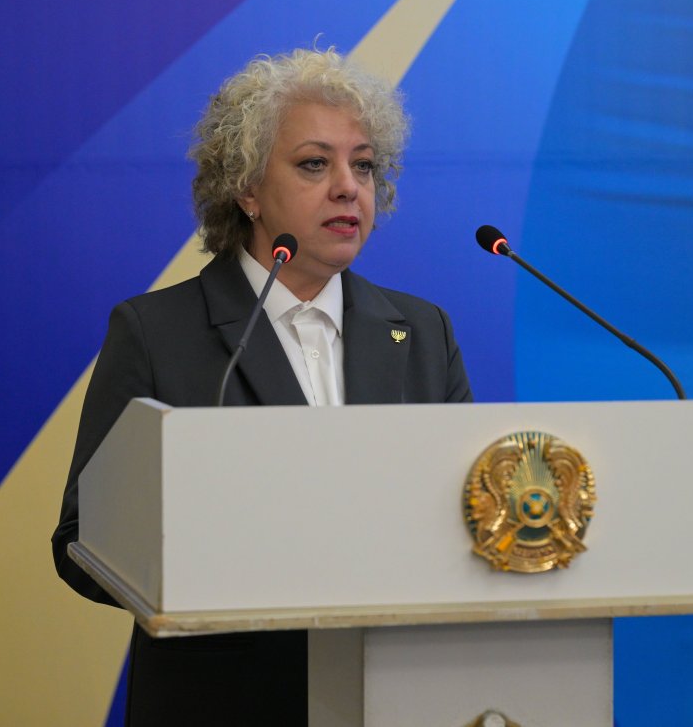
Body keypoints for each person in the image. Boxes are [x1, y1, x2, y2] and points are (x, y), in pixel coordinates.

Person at [52, 46, 472, 726]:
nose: (348, 187)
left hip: (393, 693)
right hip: (225, 699)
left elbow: (462, 515)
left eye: (363, 165)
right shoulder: (156, 332)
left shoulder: (424, 331)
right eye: (314, 164)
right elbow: (82, 539)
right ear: (246, 188)